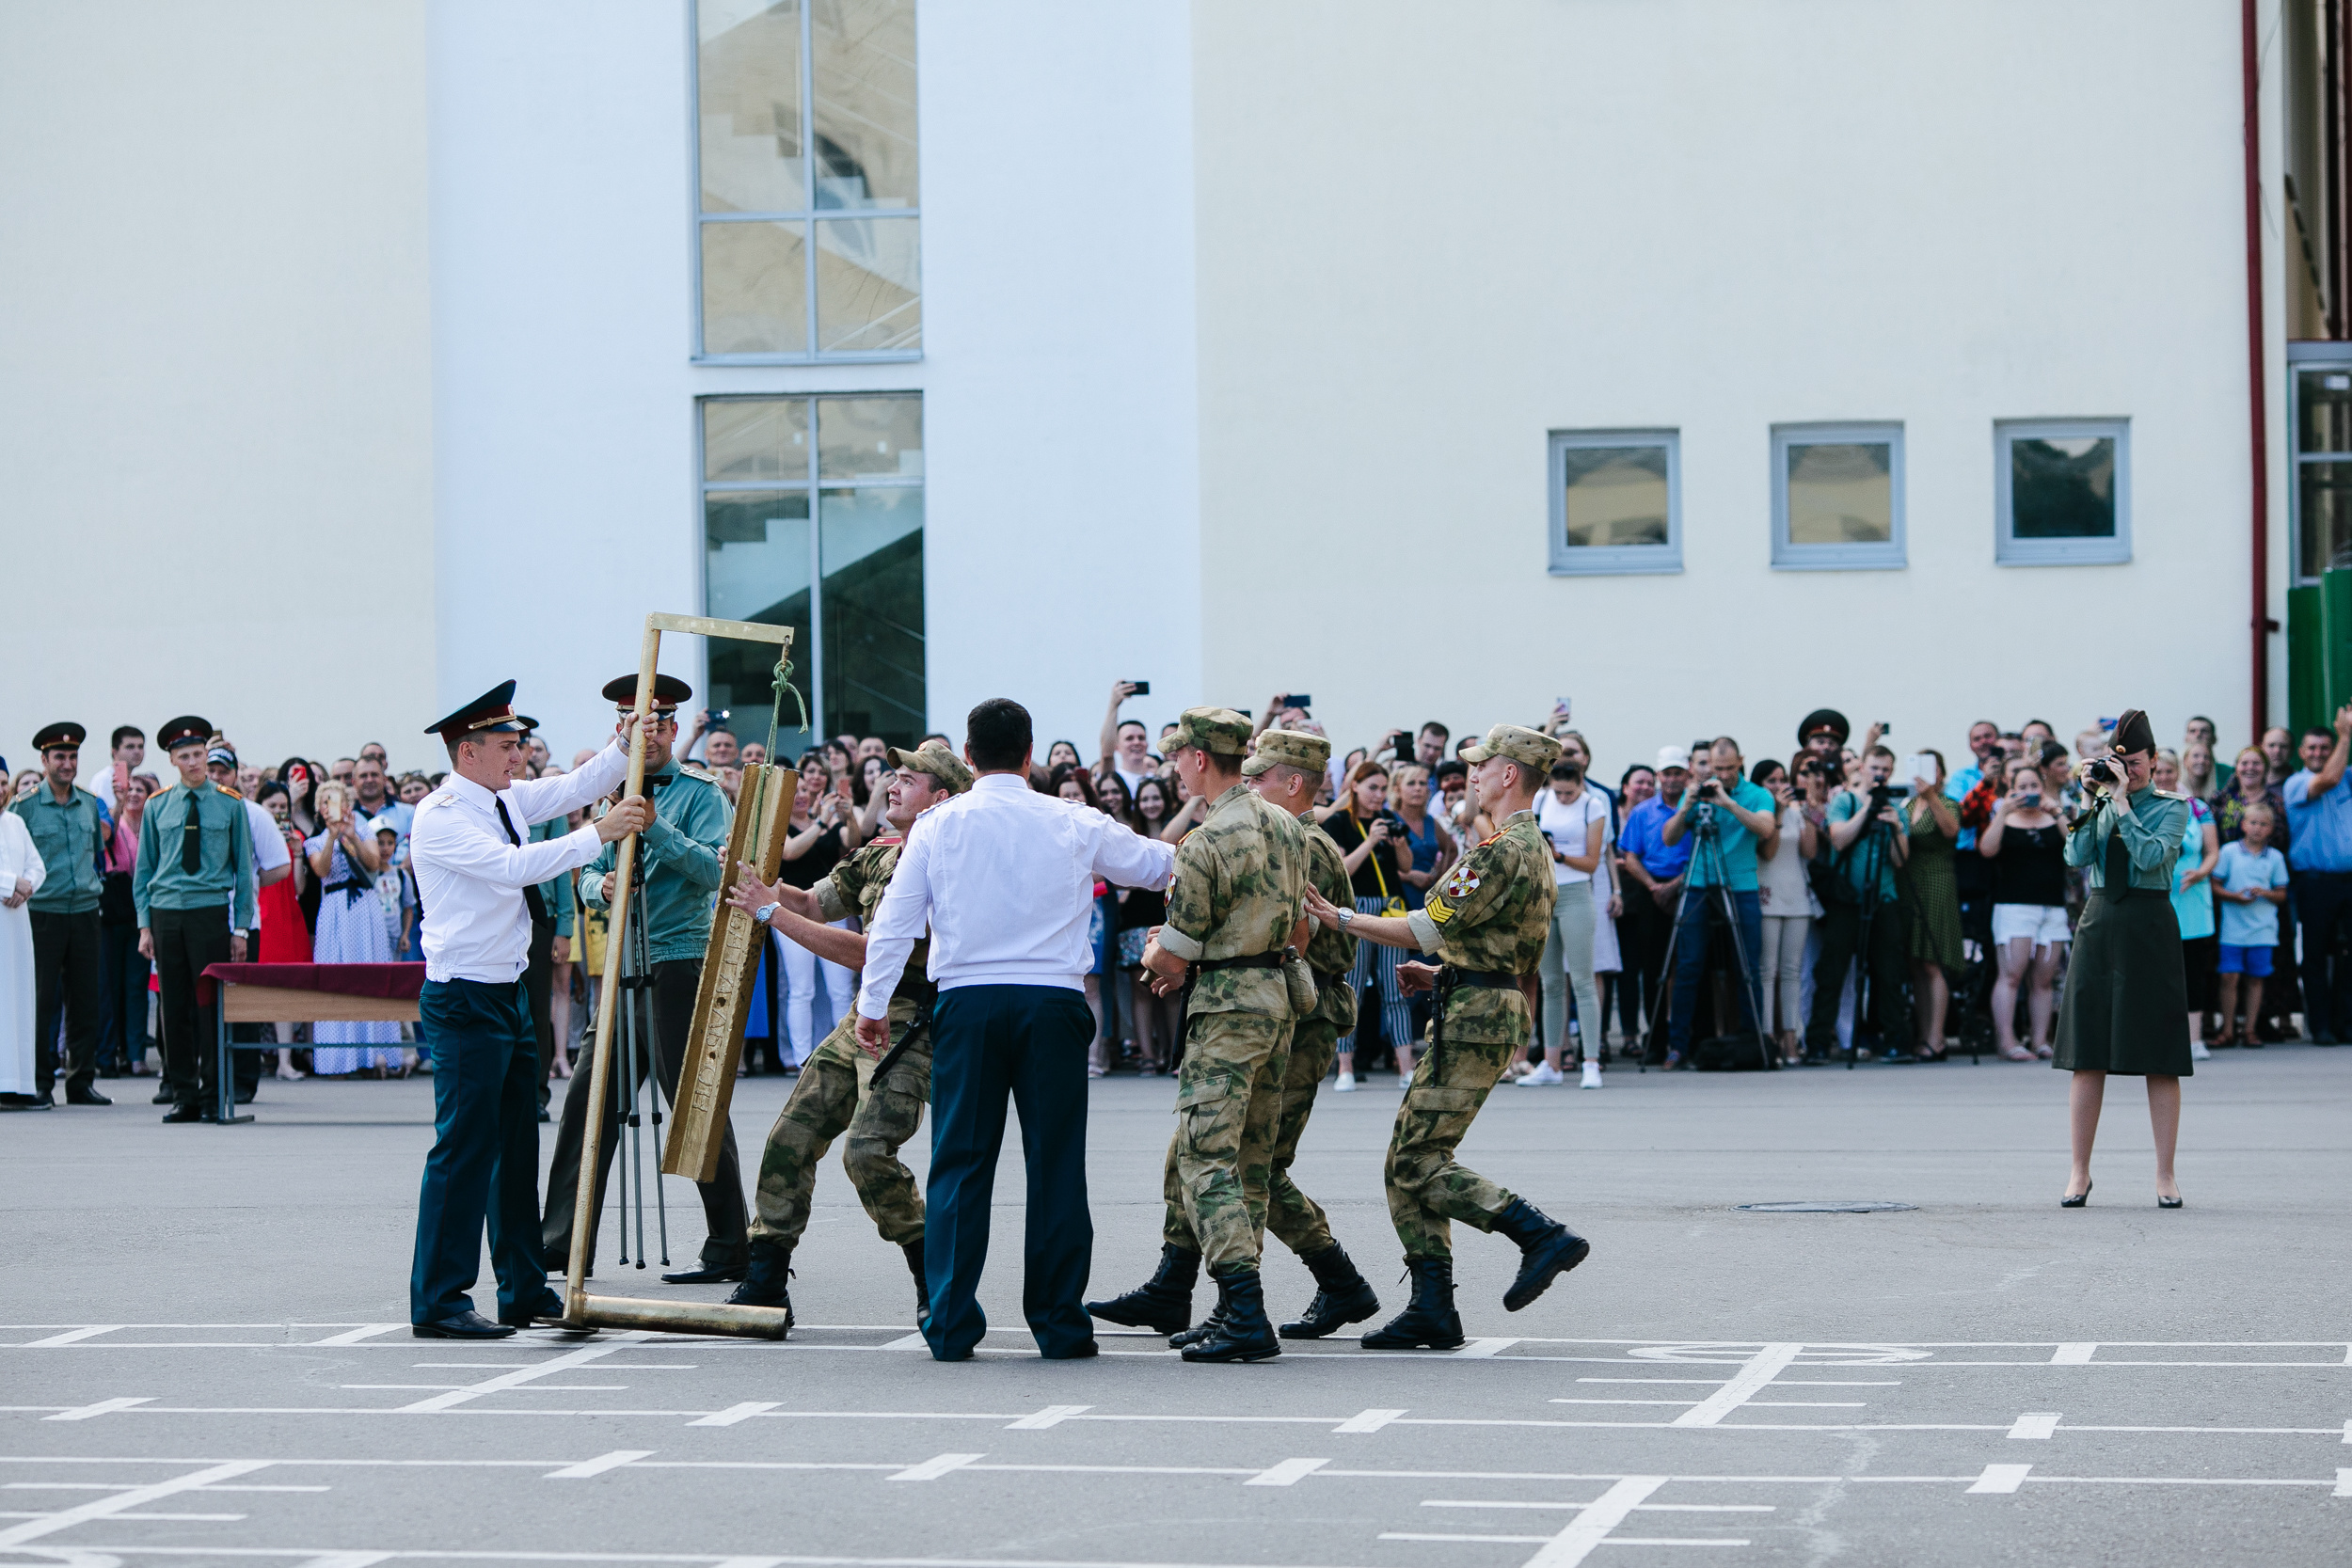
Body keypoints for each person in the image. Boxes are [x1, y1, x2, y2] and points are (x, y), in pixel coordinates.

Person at [854, 697, 1176, 1362]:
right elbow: (1157, 864)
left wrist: (873, 1001)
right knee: (1055, 1165)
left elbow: (894, 921)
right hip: (1051, 1002)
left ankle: (948, 1320)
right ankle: (1059, 1322)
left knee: (960, 1164)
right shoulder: (1071, 818)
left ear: (967, 758)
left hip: (968, 1003)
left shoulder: (939, 824)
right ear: (1030, 756)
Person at [1300, 724, 1586, 1350]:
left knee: (1414, 1160)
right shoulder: (1529, 847)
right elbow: (1501, 942)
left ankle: (1535, 1233)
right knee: (1415, 1159)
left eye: (1482, 767)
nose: (1471, 776)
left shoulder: (1496, 850)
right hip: (1484, 995)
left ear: (1509, 775)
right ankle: (1432, 1304)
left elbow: (1426, 923)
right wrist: (1443, 972)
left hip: (1478, 1013)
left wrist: (1340, 918)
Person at [407, 681, 646, 1338]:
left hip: (508, 991)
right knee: (464, 1147)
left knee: (515, 1143)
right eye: (508, 745)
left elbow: (574, 784)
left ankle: (520, 1284)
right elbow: (514, 867)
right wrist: (600, 833)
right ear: (468, 751)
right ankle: (439, 1297)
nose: (520, 754)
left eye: (519, 744)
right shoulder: (444, 813)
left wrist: (625, 740)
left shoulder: (499, 798)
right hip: (465, 997)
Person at [722, 740, 975, 1331]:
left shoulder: (948, 869)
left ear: (940, 799)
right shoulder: (879, 853)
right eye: (894, 774)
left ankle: (932, 1271)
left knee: (867, 1154)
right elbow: (814, 901)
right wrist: (757, 881)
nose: (892, 784)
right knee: (792, 1134)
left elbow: (873, 953)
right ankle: (766, 1279)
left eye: (909, 779)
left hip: (910, 1024)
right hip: (863, 1017)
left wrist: (768, 913)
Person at [1089, 709, 1310, 1365]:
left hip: (1225, 1010)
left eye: (1178, 754)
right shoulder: (1285, 824)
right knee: (1247, 1159)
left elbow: (1178, 945)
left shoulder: (1207, 839)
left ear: (1197, 761)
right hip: (1275, 1001)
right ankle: (1201, 1297)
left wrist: (1159, 956)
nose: (1172, 763)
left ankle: (1244, 1307)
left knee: (1205, 1159)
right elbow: (1300, 925)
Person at [544, 673, 744, 1287]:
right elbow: (585, 869)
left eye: (655, 723)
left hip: (678, 961)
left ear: (674, 728)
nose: (645, 733)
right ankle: (558, 1244)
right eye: (633, 723)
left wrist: (653, 825)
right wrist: (598, 885)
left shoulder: (701, 792)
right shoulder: (613, 791)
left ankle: (732, 1244)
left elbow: (713, 872)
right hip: (623, 960)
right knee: (587, 1101)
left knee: (693, 1105)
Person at [2055, 709, 2191, 1209]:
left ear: (2154, 762)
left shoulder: (2174, 807)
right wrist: (2095, 801)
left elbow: (2153, 857)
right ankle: (2079, 1171)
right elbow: (2075, 856)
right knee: (2086, 1052)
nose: (2127, 771)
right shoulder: (2098, 800)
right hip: (2100, 921)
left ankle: (2165, 1175)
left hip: (2149, 923)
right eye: (2120, 763)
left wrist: (2123, 805)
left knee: (2161, 1054)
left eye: (2135, 763)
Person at [134, 716, 258, 1123]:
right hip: (166, 913)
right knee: (174, 1007)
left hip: (208, 913)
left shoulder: (230, 803)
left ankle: (210, 1095)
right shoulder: (157, 805)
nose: (193, 762)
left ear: (208, 754)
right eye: (184, 756)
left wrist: (240, 928)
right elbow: (145, 870)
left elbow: (244, 872)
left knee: (209, 1007)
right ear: (172, 760)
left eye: (199, 754)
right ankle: (182, 1094)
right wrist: (145, 925)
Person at [1660, 737, 1778, 1068]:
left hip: (1740, 885)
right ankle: (1678, 1045)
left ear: (1741, 761)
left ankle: (1751, 1041)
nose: (1723, 775)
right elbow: (1669, 839)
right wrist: (1686, 807)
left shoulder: (1757, 794)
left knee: (1747, 967)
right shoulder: (1696, 790)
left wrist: (1729, 804)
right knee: (1689, 966)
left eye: (1729, 768)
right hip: (1698, 883)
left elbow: (1766, 829)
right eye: (1717, 768)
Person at [11, 724, 113, 1107]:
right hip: (43, 913)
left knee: (86, 999)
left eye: (72, 757)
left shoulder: (87, 802)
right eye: (59, 757)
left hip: (85, 910)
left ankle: (81, 1082)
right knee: (41, 1001)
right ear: (44, 760)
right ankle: (39, 1082)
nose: (67, 764)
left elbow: (93, 854)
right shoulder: (24, 807)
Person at [1804, 745, 1910, 1063]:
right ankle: (1818, 1042)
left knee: (1889, 972)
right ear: (1863, 768)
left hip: (1885, 896)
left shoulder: (1896, 807)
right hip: (1847, 898)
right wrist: (1867, 810)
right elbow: (1838, 839)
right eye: (1875, 768)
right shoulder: (1845, 800)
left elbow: (1900, 860)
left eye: (1886, 770)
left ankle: (1894, 1040)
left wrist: (1896, 827)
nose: (1880, 775)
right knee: (1832, 972)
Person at [1320, 759, 1416, 1089]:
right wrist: (1371, 841)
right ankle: (1344, 1066)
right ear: (1355, 788)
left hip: (1390, 910)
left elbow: (1406, 866)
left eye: (1383, 789)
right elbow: (1341, 870)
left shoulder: (1389, 819)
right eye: (1372, 788)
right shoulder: (1337, 823)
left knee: (1396, 990)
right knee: (1352, 989)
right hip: (1354, 909)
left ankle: (1407, 1068)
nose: (1378, 796)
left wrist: (1400, 845)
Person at [1520, 754, 1611, 1087]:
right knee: (1551, 983)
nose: (1562, 798)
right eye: (1558, 793)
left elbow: (1590, 862)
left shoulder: (1593, 806)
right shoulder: (1542, 798)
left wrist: (1559, 854)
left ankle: (1590, 1061)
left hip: (1575, 894)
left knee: (1583, 981)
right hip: (1545, 895)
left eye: (1568, 794)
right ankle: (1551, 1062)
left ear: (1580, 782)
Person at [306, 779, 403, 1076]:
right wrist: (333, 838)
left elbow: (373, 863)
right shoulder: (315, 841)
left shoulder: (364, 831)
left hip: (364, 906)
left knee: (369, 973)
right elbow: (321, 870)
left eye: (335, 800)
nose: (330, 806)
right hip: (335, 909)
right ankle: (338, 1059)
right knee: (336, 975)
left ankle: (375, 1055)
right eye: (325, 801)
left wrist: (351, 836)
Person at [773, 754, 859, 1070]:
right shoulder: (778, 824)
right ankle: (800, 1060)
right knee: (802, 989)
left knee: (840, 988)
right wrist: (822, 822)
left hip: (830, 905)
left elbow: (851, 842)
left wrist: (848, 817)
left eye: (803, 791)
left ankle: (843, 1057)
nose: (800, 796)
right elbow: (791, 851)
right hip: (791, 909)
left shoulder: (824, 819)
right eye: (793, 791)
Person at [1979, 755, 2068, 1061]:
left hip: (2052, 908)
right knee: (2011, 975)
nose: (2028, 790)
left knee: (2044, 979)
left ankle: (2041, 1040)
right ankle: (2008, 1040)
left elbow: (2076, 847)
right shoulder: (2005, 817)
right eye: (2022, 786)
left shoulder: (2053, 816)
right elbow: (1987, 850)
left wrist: (2055, 811)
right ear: (2010, 787)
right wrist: (2003, 811)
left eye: (2033, 785)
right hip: (2015, 907)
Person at [2280, 709, 2352, 1044]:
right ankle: (2321, 1026)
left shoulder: (2348, 776)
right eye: (2313, 748)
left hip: (2348, 881)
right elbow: (2328, 780)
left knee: (2349, 956)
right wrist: (2346, 735)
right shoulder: (2295, 784)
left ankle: (2346, 1024)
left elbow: (2340, 775)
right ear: (2301, 753)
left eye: (2325, 747)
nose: (2319, 753)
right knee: (2315, 955)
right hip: (2314, 882)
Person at [1616, 746, 1692, 1055]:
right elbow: (1630, 855)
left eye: (1678, 774)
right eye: (1667, 774)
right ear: (1659, 776)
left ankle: (1685, 1036)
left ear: (1687, 775)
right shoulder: (1642, 811)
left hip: (1688, 886)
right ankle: (1657, 1037)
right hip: (1651, 890)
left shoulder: (1695, 806)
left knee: (1687, 965)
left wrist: (1675, 885)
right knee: (1653, 968)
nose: (1673, 780)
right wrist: (1653, 886)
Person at [2153, 750, 2219, 1062]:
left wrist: (2202, 872)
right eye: (2158, 771)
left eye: (2169, 771)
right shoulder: (2144, 807)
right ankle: (2161, 1036)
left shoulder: (2197, 807)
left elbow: (2212, 851)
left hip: (2192, 899)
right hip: (2158, 900)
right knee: (2159, 973)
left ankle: (2194, 1039)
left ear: (2177, 771)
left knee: (2193, 971)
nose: (2163, 777)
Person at [1754, 756, 1819, 1067]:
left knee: (1793, 971)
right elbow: (1767, 850)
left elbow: (1810, 851)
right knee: (1767, 972)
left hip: (1797, 897)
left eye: (1782, 780)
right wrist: (1778, 813)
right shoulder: (1760, 812)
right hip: (1767, 895)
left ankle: (1791, 1036)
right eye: (1771, 781)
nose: (1779, 786)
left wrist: (1802, 813)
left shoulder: (1795, 812)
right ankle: (1767, 1037)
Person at [1899, 751, 1963, 1061]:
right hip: (1910, 883)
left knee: (1934, 961)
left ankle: (1937, 1037)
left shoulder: (1948, 802)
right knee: (1916, 963)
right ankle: (1923, 1032)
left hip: (1937, 881)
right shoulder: (1907, 805)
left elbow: (1952, 831)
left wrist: (1931, 796)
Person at [2212, 802, 2290, 1046]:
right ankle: (2226, 1030)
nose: (2257, 828)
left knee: (2256, 979)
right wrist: (2233, 896)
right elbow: (2214, 885)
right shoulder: (2229, 852)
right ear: (2243, 824)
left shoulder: (2275, 858)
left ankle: (2250, 1030)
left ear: (2271, 829)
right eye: (2253, 822)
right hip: (2232, 931)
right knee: (2229, 977)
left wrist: (2264, 893)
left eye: (2263, 824)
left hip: (2263, 930)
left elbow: (2282, 894)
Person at [1120, 775, 1183, 1073]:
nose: (1150, 804)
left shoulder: (1180, 828)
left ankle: (1173, 1056)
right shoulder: (1130, 834)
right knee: (1142, 990)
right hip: (1135, 921)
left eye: (1156, 797)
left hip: (1169, 917)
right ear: (1137, 804)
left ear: (1165, 800)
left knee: (1170, 988)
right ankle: (1147, 1054)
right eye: (1145, 799)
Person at [97, 767, 151, 1079]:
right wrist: (116, 803)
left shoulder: (153, 826)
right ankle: (108, 1054)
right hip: (112, 913)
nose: (132, 795)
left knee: (135, 987)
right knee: (109, 986)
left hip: (141, 914)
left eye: (139, 791)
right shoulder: (115, 823)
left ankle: (136, 1055)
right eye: (128, 790)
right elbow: (106, 835)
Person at [0, 804, 46, 1109]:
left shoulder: (15, 822)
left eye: (4, 783)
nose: (1, 790)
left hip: (16, 922)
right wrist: (8, 882)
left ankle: (19, 1084)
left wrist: (24, 888)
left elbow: (37, 866)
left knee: (18, 1001)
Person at [1098, 680, 1157, 802]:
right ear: (1117, 746)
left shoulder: (1157, 780)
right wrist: (1113, 705)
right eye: (1129, 738)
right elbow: (1106, 754)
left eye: (1141, 738)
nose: (1136, 742)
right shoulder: (1114, 779)